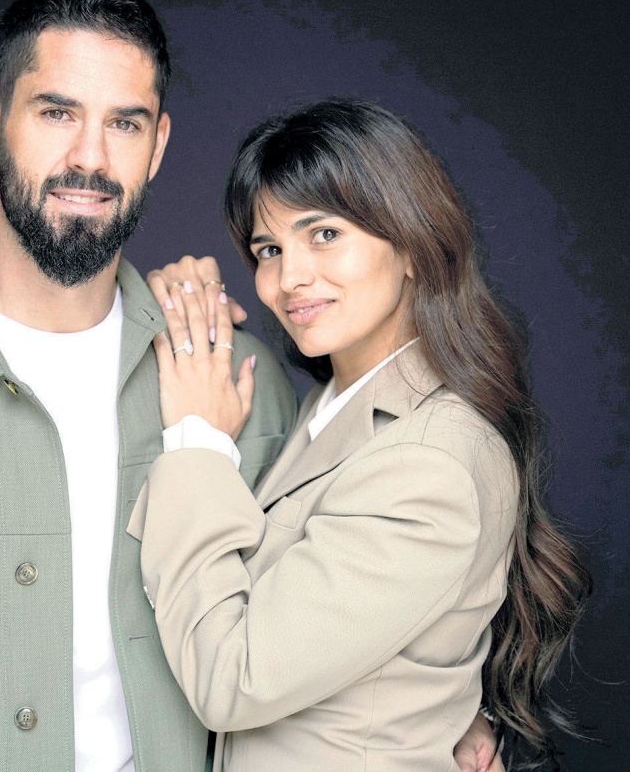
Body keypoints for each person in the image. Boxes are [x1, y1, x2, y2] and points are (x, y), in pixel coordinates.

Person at [0, 0, 500, 768]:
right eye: (56, 113)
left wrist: (449, 717)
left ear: (159, 144)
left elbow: (357, 618)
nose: (91, 158)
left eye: (125, 123)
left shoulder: (242, 390)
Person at [131, 99, 589, 770]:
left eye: (324, 234)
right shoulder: (333, 404)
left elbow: (233, 679)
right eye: (269, 249)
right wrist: (181, 305)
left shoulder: (427, 460)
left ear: (412, 243)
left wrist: (197, 440)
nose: (289, 279)